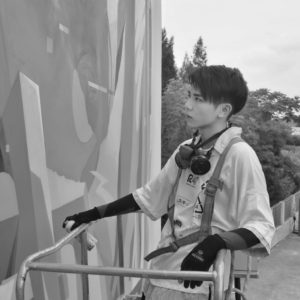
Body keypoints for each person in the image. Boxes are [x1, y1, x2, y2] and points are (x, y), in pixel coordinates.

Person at [63, 65, 275, 299]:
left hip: (198, 285)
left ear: (223, 110)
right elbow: (148, 198)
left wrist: (213, 244)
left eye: (198, 99)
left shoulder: (240, 156)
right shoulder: (187, 151)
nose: (187, 105)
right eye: (188, 96)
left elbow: (262, 227)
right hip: (160, 274)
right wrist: (91, 214)